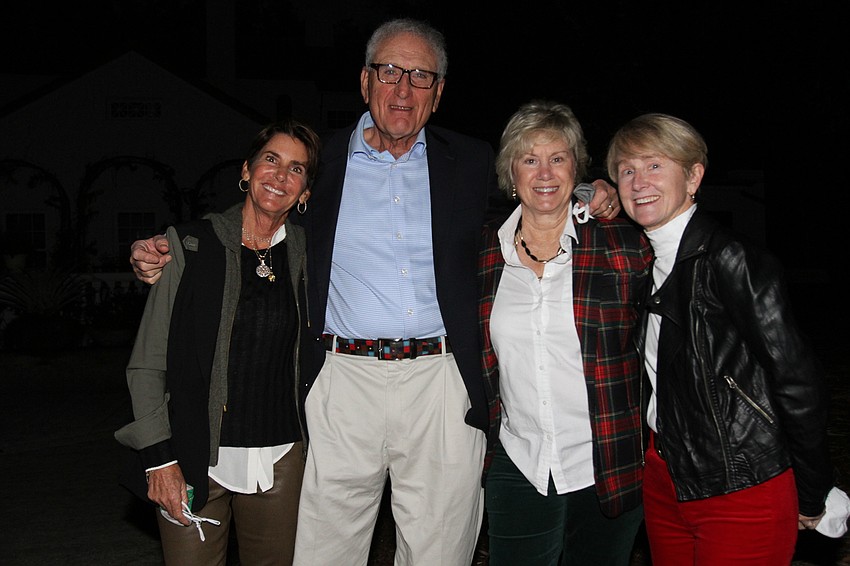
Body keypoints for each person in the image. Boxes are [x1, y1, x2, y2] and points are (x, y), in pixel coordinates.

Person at [128, 18, 622, 565]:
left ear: (438, 95)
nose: (403, 89)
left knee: (439, 550)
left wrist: (592, 188)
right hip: (343, 381)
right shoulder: (324, 161)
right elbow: (262, 210)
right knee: (326, 550)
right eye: (390, 72)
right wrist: (173, 250)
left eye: (420, 77)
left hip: (441, 381)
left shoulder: (473, 160)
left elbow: (535, 187)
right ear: (365, 82)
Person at [606, 112, 840, 564]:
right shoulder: (644, 261)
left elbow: (798, 382)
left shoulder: (732, 260)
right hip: (662, 475)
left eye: (655, 166)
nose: (639, 182)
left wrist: (813, 491)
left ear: (694, 176)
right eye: (627, 170)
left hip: (740, 482)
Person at [115, 119, 320, 565]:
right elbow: (147, 366)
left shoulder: (312, 259)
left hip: (281, 458)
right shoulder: (190, 247)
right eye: (271, 159)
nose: (280, 176)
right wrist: (158, 460)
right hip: (191, 458)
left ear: (305, 193)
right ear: (246, 171)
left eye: (297, 169)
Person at [479, 100, 652, 566]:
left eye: (558, 158)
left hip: (608, 461)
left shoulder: (622, 245)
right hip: (518, 459)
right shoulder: (484, 256)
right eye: (529, 159)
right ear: (510, 172)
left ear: (576, 168)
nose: (544, 173)